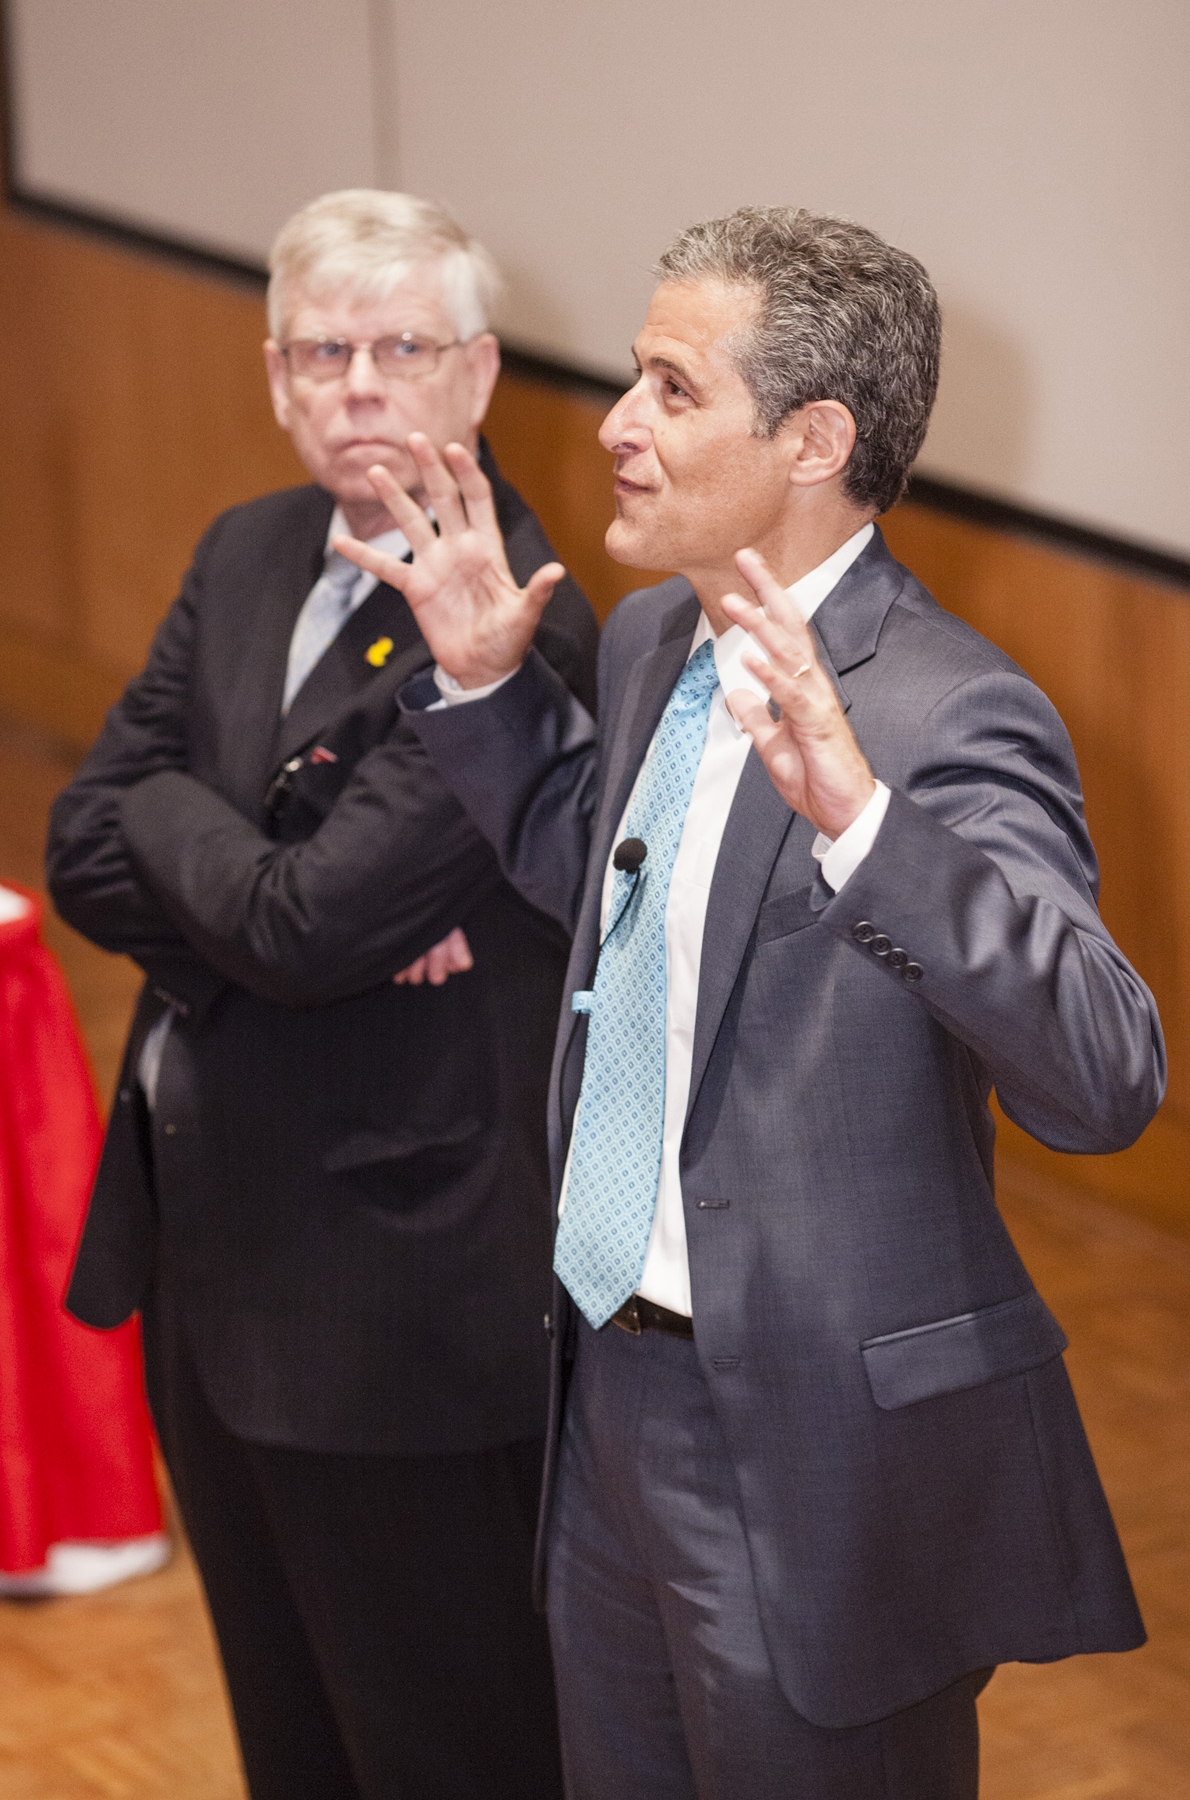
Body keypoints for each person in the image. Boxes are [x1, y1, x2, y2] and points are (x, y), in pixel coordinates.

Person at [335, 206, 1165, 1799]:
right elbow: (619, 894)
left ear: (814, 440)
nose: (615, 426)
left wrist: (866, 822)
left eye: (667, 387)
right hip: (606, 1397)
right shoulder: (659, 634)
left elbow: (1103, 1078)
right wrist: (492, 696)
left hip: (814, 1454)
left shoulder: (948, 710)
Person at [46, 189, 597, 1800]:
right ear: (278, 380)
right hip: (210, 1259)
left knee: (445, 1746)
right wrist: (241, 871)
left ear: (477, 376)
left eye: (399, 348)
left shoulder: (518, 627)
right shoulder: (248, 547)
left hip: (393, 1306)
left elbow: (294, 927)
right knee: (289, 1736)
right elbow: (88, 839)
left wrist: (185, 827)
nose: (358, 385)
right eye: (321, 352)